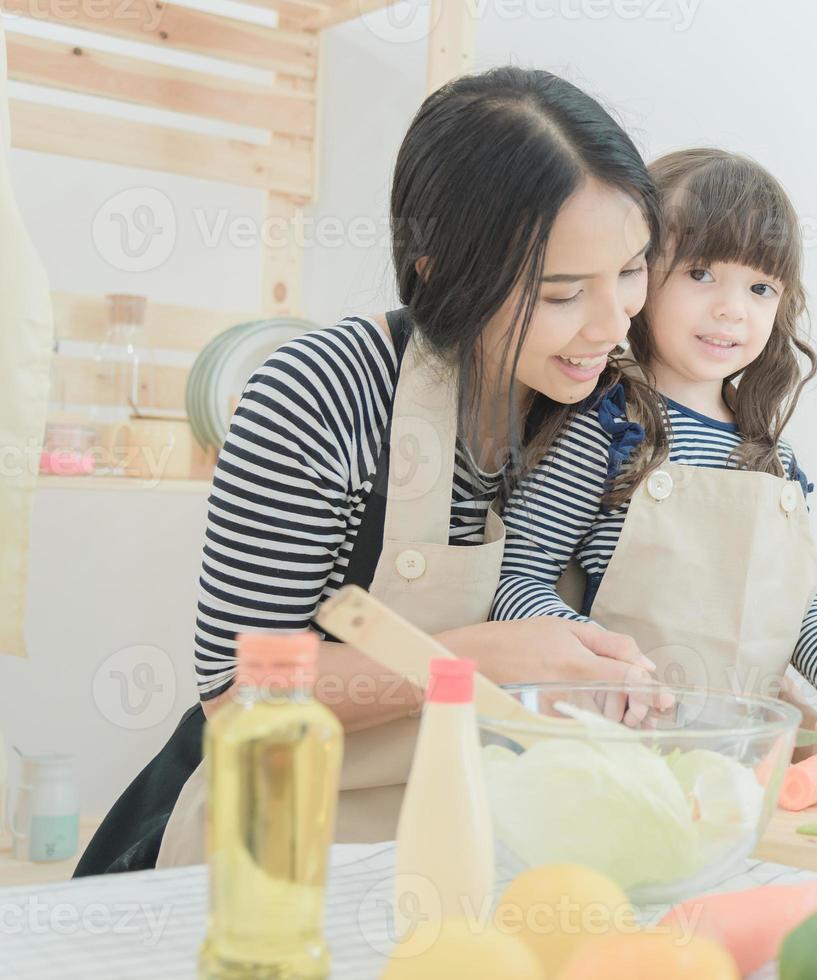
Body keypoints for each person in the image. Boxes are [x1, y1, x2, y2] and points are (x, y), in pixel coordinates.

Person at [76, 67, 666, 875]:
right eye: (562, 293)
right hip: (282, 850)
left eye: (631, 270)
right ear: (438, 267)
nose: (610, 323)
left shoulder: (600, 406)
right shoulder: (320, 393)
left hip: (481, 845)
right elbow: (238, 694)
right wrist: (482, 659)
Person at [493, 148, 817, 788]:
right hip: (605, 765)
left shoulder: (773, 462)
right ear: (640, 275)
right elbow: (514, 585)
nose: (732, 309)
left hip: (736, 779)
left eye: (760, 287)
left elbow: (801, 611)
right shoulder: (603, 425)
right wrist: (613, 667)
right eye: (702, 274)